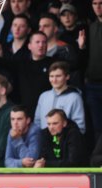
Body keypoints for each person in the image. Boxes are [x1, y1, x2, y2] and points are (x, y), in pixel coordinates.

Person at [34, 61, 85, 133]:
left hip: (66, 142)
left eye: (58, 76)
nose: (54, 80)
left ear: (67, 77)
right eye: (51, 76)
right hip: (45, 141)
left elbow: (80, 127)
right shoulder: (43, 96)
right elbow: (37, 122)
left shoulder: (75, 98)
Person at [85, 0, 102, 142]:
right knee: (97, 126)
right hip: (92, 83)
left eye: (101, 3)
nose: (98, 7)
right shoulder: (91, 27)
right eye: (94, 3)